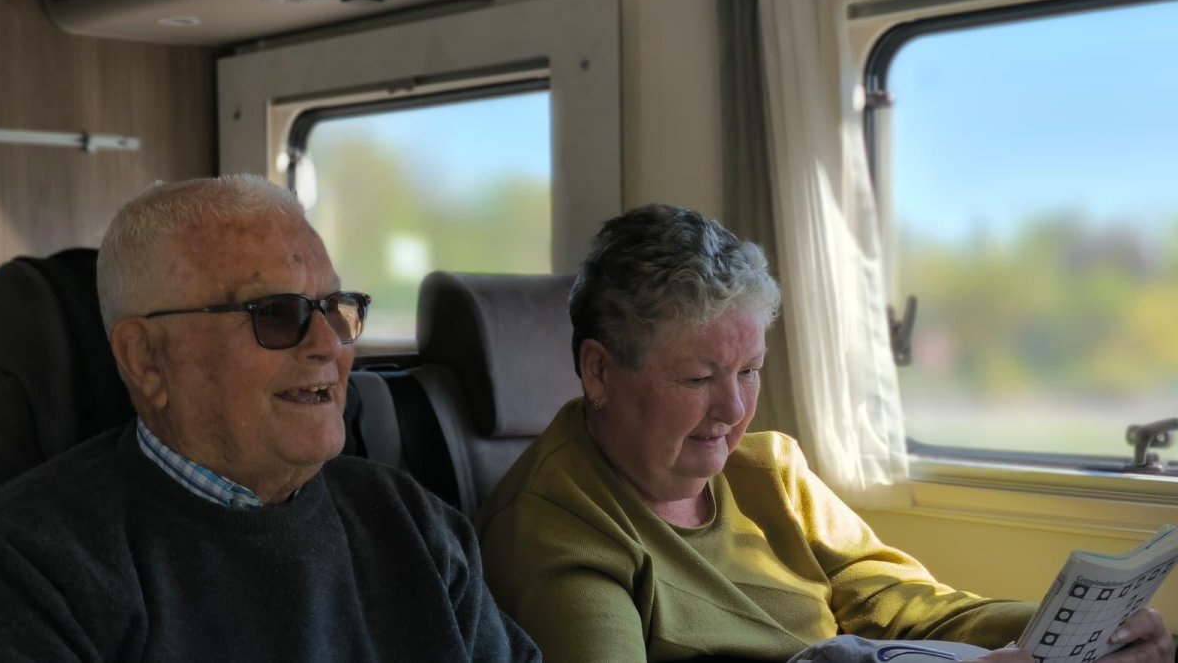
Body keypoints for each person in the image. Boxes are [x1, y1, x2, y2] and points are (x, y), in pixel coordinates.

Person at [475, 204, 1173, 663]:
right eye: (697, 379)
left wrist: (1072, 634)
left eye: (750, 371)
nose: (732, 410)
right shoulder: (559, 530)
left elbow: (902, 604)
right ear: (598, 371)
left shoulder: (767, 472)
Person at [0, 175, 540, 661]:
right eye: (275, 314)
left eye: (337, 310)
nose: (329, 345)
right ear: (146, 360)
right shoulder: (25, 565)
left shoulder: (411, 521)